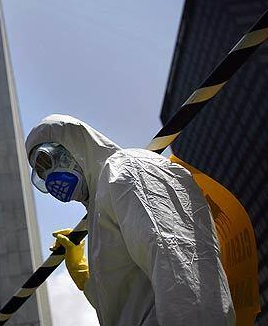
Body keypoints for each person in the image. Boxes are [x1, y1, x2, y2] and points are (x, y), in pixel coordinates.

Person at [26, 114, 235, 326]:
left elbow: (180, 267)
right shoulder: (99, 207)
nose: (50, 178)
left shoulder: (127, 170)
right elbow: (126, 306)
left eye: (47, 162)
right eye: (42, 175)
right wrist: (87, 280)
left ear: (72, 143)